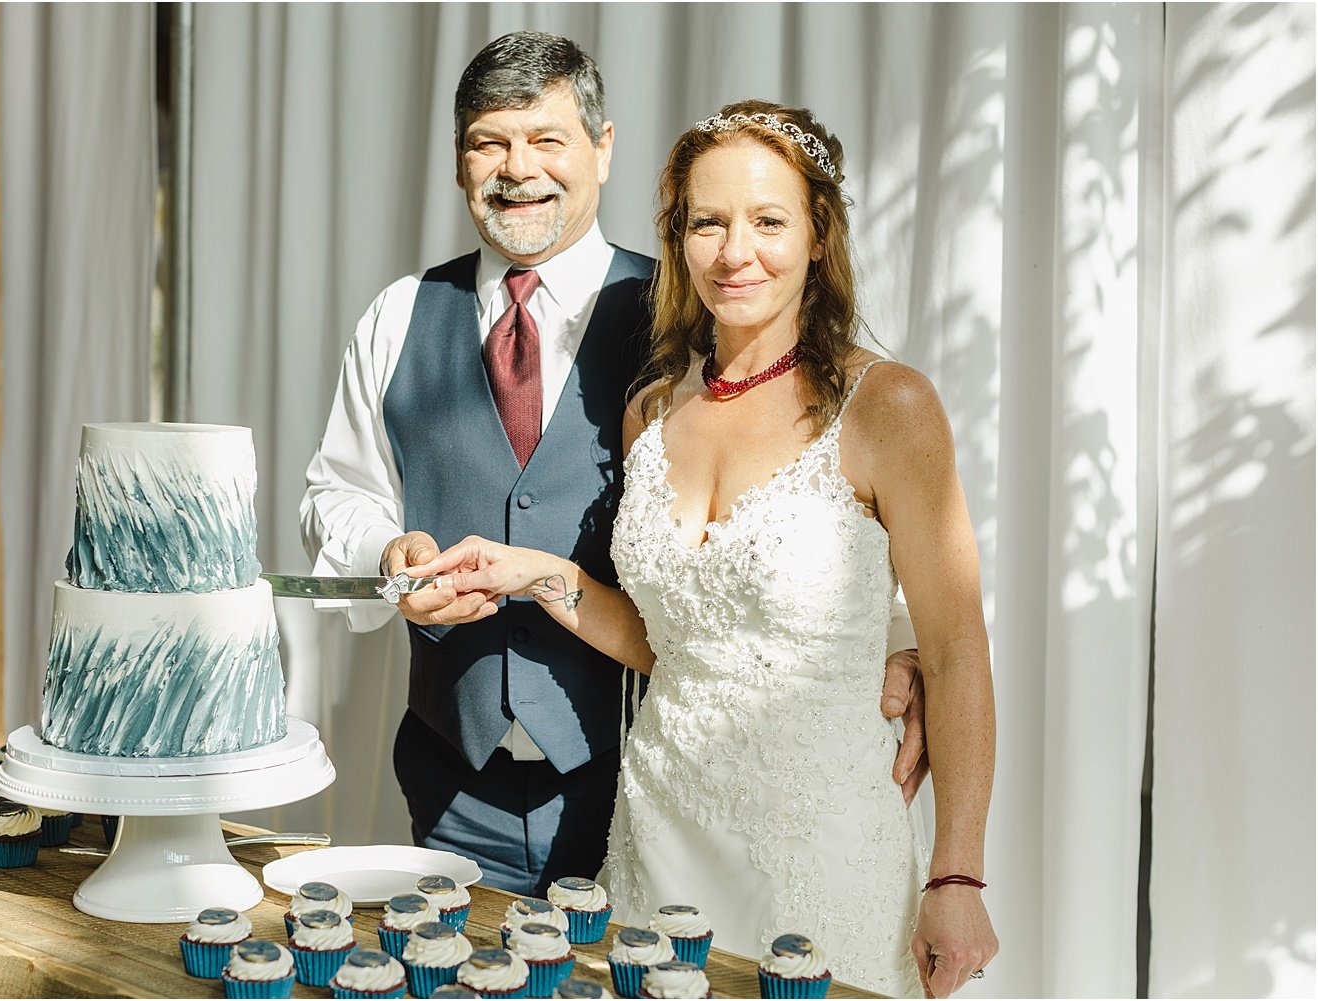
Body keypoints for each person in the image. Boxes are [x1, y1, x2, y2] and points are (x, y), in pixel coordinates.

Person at [300, 35, 929, 900]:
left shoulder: (698, 313)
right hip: (452, 781)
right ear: (458, 164)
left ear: (602, 147)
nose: (518, 169)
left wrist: (898, 648)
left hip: (640, 780)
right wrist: (386, 551)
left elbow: (816, 498)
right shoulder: (398, 315)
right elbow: (338, 490)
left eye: (547, 138)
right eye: (490, 142)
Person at [408, 99, 997, 998]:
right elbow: (670, 640)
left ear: (817, 234)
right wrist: (543, 575)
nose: (735, 251)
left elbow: (955, 653)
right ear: (678, 237)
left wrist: (956, 876)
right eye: (707, 222)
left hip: (821, 850)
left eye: (768, 220)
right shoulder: (653, 407)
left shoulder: (890, 408)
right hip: (658, 836)